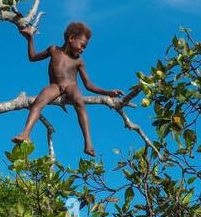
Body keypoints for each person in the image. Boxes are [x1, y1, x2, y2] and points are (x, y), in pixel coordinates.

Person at [11, 20, 123, 156]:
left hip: (71, 86)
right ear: (71, 39)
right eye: (82, 45)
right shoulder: (53, 50)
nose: (83, 49)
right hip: (55, 86)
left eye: (85, 48)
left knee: (79, 102)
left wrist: (108, 92)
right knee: (39, 101)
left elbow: (88, 85)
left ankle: (88, 144)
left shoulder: (79, 61)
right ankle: (26, 133)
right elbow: (32, 57)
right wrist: (30, 39)